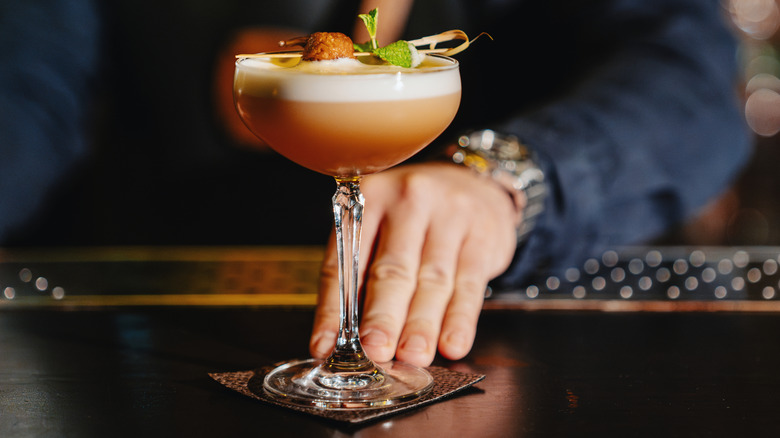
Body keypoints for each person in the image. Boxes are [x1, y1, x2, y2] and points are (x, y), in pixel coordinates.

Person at [1, 0, 751, 369]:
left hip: (491, 343)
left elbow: (690, 77)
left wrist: (511, 179)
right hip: (158, 350)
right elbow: (25, 94)